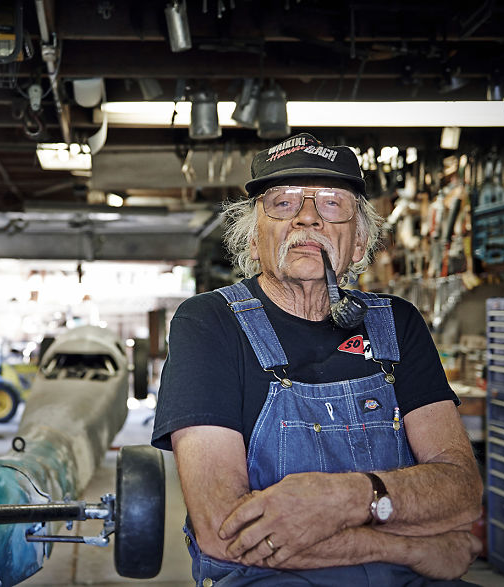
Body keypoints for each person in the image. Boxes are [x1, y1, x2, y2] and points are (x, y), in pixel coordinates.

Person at [151, 133, 483, 586]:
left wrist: (343, 497)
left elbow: (461, 494)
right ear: (252, 240)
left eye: (331, 203)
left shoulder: (398, 324)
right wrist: (412, 545)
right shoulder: (210, 323)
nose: (308, 217)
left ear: (360, 242)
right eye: (283, 203)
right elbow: (224, 529)